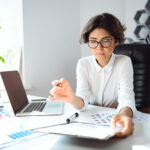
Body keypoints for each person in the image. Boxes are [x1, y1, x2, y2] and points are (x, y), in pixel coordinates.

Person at [49, 13, 136, 138]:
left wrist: (124, 114)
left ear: (116, 41)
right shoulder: (83, 64)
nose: (99, 48)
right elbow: (82, 100)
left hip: (116, 118)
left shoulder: (124, 62)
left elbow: (126, 99)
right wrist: (72, 98)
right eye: (93, 41)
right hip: (92, 121)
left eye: (106, 41)